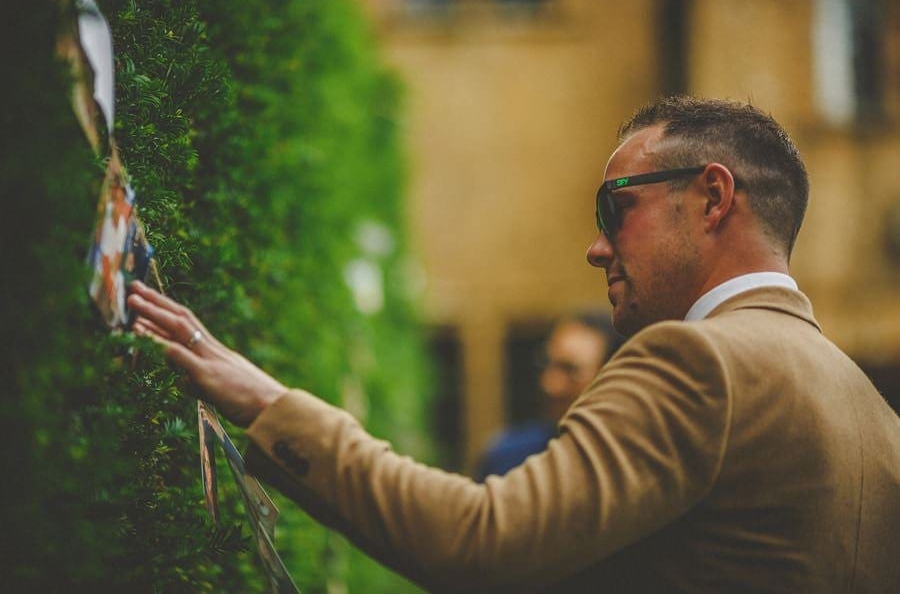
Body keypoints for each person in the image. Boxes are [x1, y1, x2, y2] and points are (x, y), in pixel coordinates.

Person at [128, 96, 900, 592]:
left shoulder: (698, 361)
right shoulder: (874, 417)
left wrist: (268, 404)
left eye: (612, 209)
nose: (596, 248)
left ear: (711, 197)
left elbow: (480, 544)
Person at [477, 313, 623, 480]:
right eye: (547, 364)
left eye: (570, 370)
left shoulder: (631, 463)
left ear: (611, 376)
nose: (550, 385)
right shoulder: (509, 458)